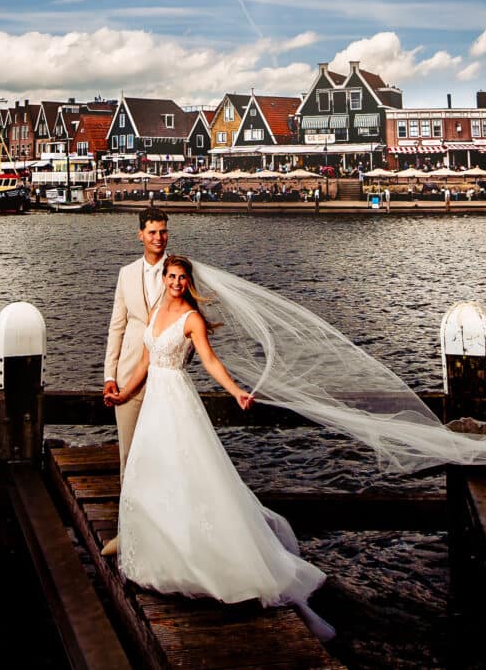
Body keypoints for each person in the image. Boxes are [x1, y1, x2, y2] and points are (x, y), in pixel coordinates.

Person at [114, 256, 333, 639]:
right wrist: (123, 394)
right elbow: (145, 363)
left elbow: (211, 362)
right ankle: (159, 557)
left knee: (188, 476)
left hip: (177, 400)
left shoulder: (192, 320)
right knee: (151, 475)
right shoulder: (156, 310)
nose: (177, 283)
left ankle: (209, 563)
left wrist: (235, 391)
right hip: (153, 403)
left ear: (188, 282)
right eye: (172, 277)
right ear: (164, 279)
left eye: (183, 278)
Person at [100, 210, 169, 555]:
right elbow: (117, 325)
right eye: (153, 232)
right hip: (128, 374)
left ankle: (163, 533)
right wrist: (110, 375)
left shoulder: (179, 272)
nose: (159, 237)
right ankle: (127, 533)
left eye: (163, 232)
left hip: (165, 376)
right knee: (128, 455)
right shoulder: (126, 274)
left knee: (164, 455)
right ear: (140, 235)